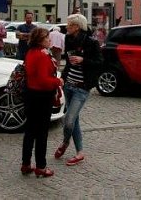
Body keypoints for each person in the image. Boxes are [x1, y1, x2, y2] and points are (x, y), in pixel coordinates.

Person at [54, 13, 102, 168]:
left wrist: (83, 60)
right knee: (74, 120)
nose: (67, 27)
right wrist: (63, 78)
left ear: (77, 27)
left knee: (68, 121)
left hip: (82, 88)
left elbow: (100, 62)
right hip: (69, 85)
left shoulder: (91, 42)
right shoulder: (68, 39)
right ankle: (80, 152)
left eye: (69, 25)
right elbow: (68, 62)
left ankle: (65, 142)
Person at [20, 27, 63, 178]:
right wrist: (58, 81)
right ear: (40, 40)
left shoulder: (31, 52)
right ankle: (41, 166)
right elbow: (44, 80)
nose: (49, 39)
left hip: (31, 95)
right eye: (47, 37)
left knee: (30, 132)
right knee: (41, 133)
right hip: (42, 97)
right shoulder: (42, 55)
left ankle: (25, 164)